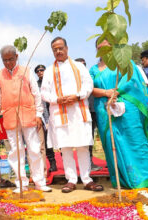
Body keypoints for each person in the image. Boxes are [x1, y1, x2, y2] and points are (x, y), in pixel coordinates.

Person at [89, 40, 148, 188]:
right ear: (96, 50)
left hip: (129, 110)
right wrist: (107, 92)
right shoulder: (94, 69)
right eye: (100, 47)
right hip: (105, 110)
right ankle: (123, 181)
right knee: (113, 144)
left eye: (107, 46)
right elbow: (90, 88)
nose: (104, 49)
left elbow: (134, 81)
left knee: (135, 141)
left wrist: (117, 92)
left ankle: (144, 180)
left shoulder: (125, 63)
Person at [41, 37, 103, 193]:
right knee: (66, 147)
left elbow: (88, 85)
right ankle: (71, 179)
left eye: (60, 48)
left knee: (82, 145)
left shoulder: (79, 67)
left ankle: (87, 179)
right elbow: (44, 93)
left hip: (78, 111)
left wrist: (77, 96)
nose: (58, 51)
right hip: (60, 112)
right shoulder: (49, 71)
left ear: (67, 48)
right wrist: (57, 99)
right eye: (55, 49)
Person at [0, 45, 51, 193]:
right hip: (10, 118)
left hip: (29, 116)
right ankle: (21, 184)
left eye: (11, 59)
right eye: (5, 60)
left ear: (16, 57)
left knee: (35, 149)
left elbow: (36, 93)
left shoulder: (27, 71)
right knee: (15, 152)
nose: (8, 63)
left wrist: (38, 114)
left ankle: (39, 182)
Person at [74, 58, 102, 172]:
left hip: (93, 111)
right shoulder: (72, 81)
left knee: (92, 137)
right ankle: (83, 163)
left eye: (84, 65)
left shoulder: (90, 78)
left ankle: (90, 162)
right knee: (81, 138)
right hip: (78, 113)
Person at [34, 64, 57, 173]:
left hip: (56, 113)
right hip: (44, 116)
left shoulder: (52, 82)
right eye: (37, 71)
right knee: (47, 141)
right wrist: (46, 120)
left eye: (42, 70)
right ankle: (52, 163)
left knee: (59, 139)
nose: (40, 72)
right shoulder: (35, 85)